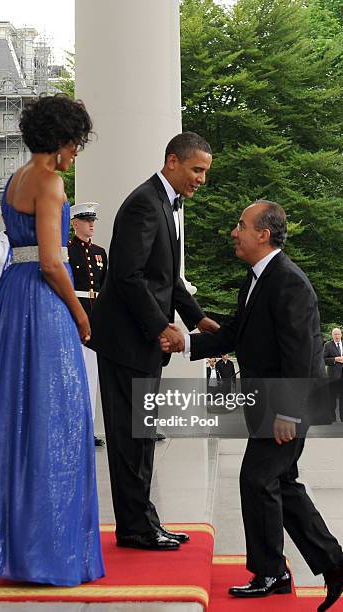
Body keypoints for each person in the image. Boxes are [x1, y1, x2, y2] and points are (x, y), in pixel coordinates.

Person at [0, 94, 104, 586]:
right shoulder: (50, 181)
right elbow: (52, 261)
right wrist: (80, 314)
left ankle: (18, 546)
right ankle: (50, 551)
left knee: (15, 416)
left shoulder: (15, 178)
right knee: (58, 419)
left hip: (12, 298)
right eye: (75, 144)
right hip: (44, 304)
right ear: (63, 139)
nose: (75, 153)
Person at [162, 200, 343, 611]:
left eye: (241, 225)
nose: (234, 232)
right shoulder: (256, 279)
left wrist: (288, 412)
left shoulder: (288, 281)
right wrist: (186, 343)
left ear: (263, 234)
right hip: (270, 406)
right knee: (281, 484)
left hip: (286, 408)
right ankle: (332, 561)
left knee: (257, 479)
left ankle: (272, 570)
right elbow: (235, 333)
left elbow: (301, 353)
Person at [91, 131, 219, 551]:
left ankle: (144, 520)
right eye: (196, 169)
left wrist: (198, 319)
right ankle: (134, 528)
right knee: (131, 439)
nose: (201, 179)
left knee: (142, 435)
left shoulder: (165, 203)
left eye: (205, 172)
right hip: (127, 342)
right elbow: (127, 275)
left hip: (140, 341)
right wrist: (160, 326)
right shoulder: (145, 203)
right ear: (172, 161)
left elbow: (167, 279)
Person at [68, 202, 107, 447]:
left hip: (96, 318)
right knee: (74, 375)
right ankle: (72, 428)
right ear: (74, 223)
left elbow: (106, 287)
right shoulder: (66, 251)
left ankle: (88, 428)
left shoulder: (100, 253)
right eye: (85, 220)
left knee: (92, 376)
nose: (91, 224)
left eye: (92, 220)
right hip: (75, 315)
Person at [323, 328, 343, 422]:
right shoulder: (328, 345)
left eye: (338, 334)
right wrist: (335, 359)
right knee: (332, 397)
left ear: (341, 334)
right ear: (332, 335)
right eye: (335, 334)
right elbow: (323, 359)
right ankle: (331, 417)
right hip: (333, 376)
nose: (337, 336)